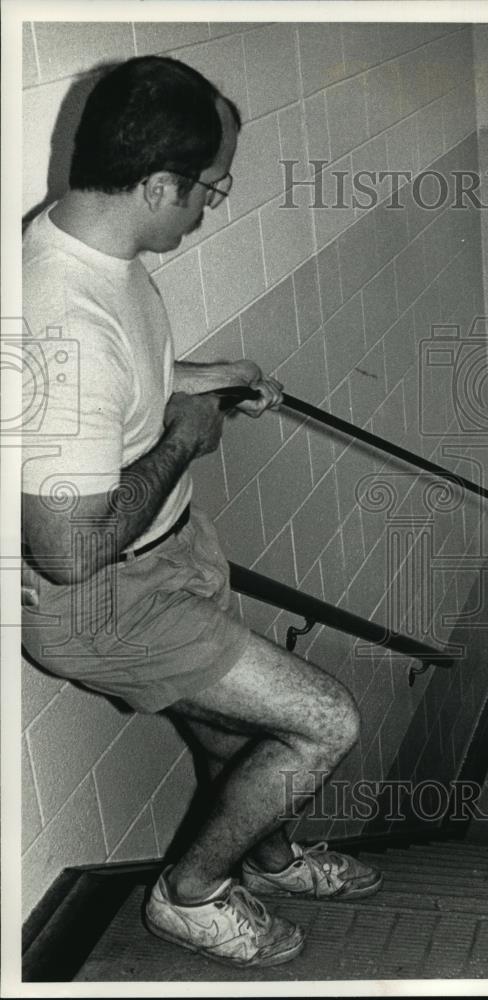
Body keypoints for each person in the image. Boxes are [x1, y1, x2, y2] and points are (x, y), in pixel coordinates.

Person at [21, 56, 380, 969]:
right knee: (322, 721)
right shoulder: (61, 318)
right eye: (209, 190)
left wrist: (209, 381)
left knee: (236, 736)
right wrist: (188, 434)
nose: (213, 206)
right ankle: (192, 895)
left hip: (165, 552)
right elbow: (67, 552)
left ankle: (262, 855)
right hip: (105, 597)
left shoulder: (82, 246)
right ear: (155, 183)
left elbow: (119, 401)